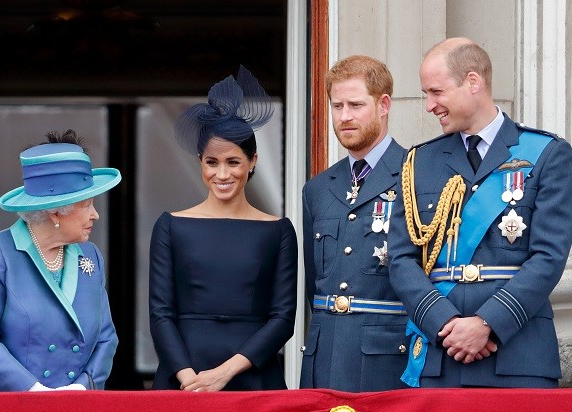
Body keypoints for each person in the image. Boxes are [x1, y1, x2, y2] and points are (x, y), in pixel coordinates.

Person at [388, 37, 572, 388]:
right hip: (440, 352)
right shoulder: (419, 162)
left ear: (473, 82)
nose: (429, 105)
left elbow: (548, 257)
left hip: (519, 352)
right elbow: (400, 259)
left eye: (436, 92)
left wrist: (487, 322)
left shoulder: (547, 153)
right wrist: (445, 323)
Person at [149, 66, 297, 391]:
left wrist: (224, 373)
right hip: (184, 378)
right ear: (200, 162)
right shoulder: (170, 226)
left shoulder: (279, 231)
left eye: (233, 162)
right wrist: (190, 379)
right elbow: (160, 314)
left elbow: (283, 319)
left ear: (253, 161)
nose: (222, 174)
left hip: (253, 377)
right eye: (211, 163)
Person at [0, 129, 121, 391]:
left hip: (76, 408)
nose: (95, 215)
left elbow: (107, 338)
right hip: (11, 409)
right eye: (86, 205)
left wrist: (83, 386)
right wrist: (33, 391)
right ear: (55, 211)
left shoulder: (90, 256)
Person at [299, 55, 410, 392]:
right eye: (337, 106)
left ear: (383, 104)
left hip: (387, 361)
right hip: (323, 357)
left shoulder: (414, 175)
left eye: (356, 105)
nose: (344, 117)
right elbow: (313, 283)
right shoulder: (318, 188)